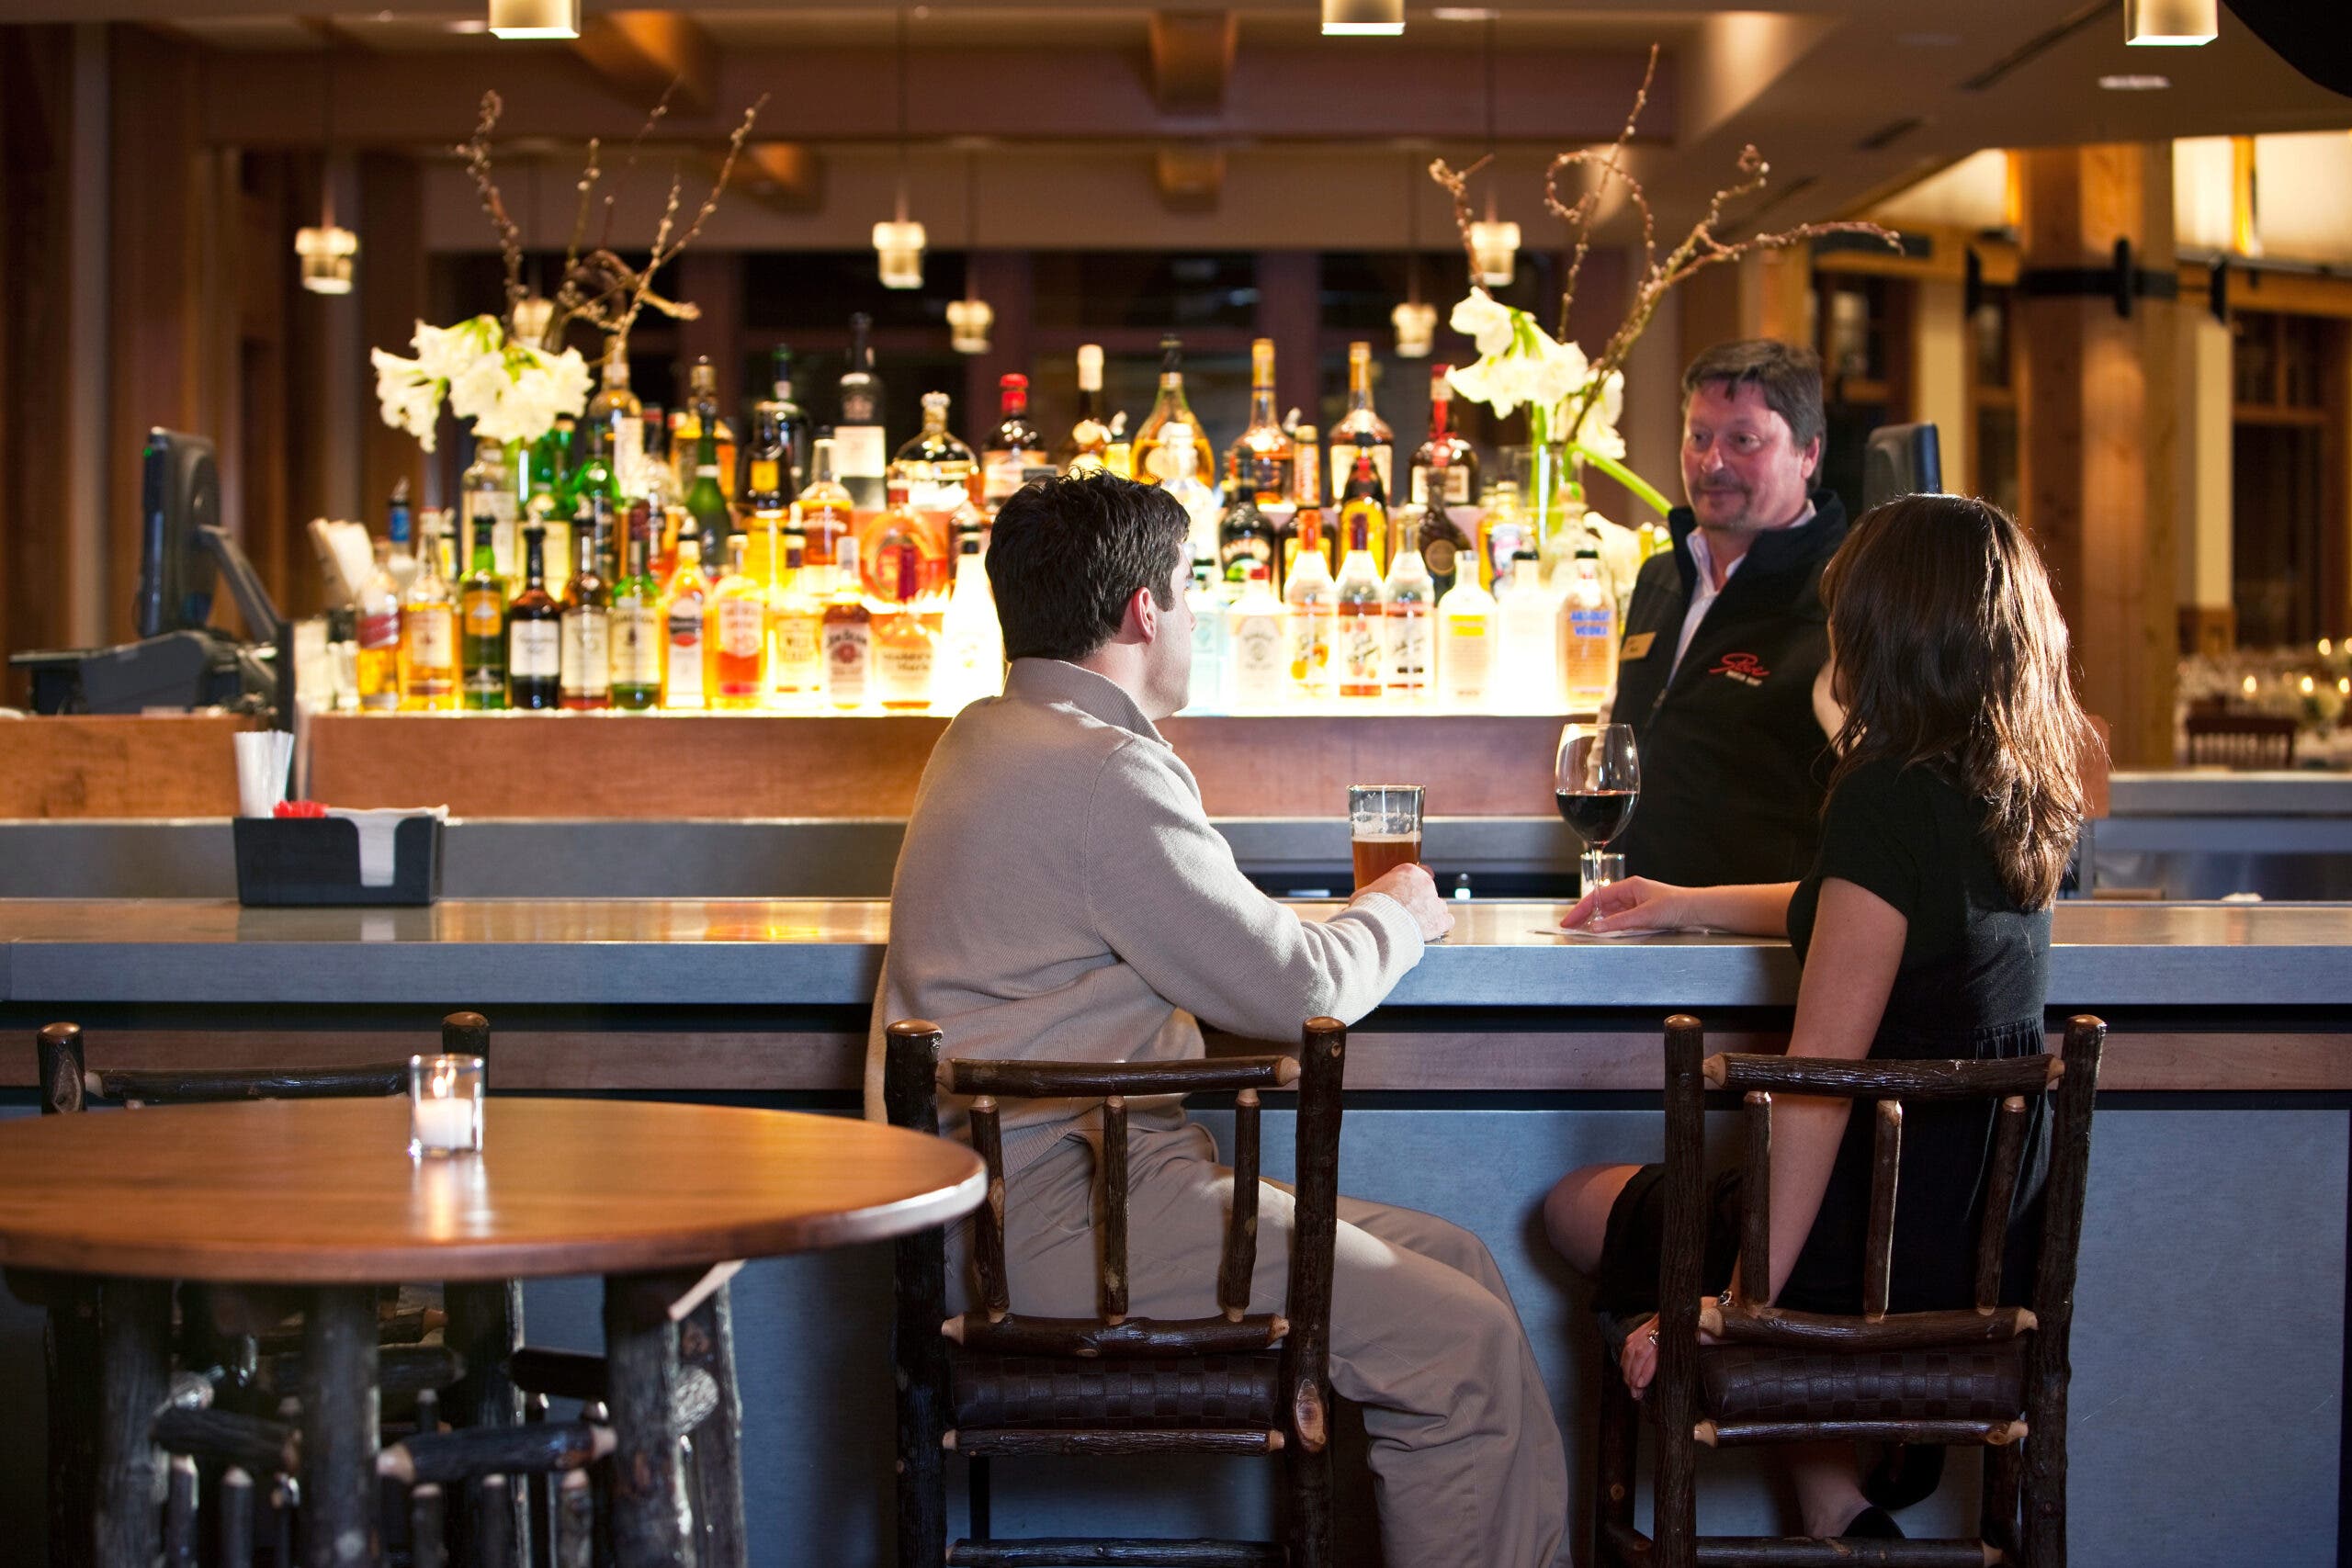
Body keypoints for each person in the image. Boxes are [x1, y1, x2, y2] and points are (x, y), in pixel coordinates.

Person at [868, 471, 1570, 1568]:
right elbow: (1299, 995)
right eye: (1190, 592)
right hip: (1070, 1223)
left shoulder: (984, 737)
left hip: (994, 1211)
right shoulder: (1104, 768)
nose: (1194, 618)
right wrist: (1398, 910)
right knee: (1463, 1346)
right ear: (1144, 611)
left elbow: (1197, 934)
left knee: (1460, 1263)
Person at [1544, 492, 2097, 1541]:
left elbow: (1816, 1087)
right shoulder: (2010, 787)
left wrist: (1738, 1304)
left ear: (1876, 631)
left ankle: (1833, 1500)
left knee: (1576, 1207)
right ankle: (1841, 1519)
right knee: (1746, 1223)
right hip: (1976, 1246)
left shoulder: (1882, 791)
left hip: (1870, 1258)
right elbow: (1872, 910)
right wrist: (1683, 901)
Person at [1607, 340, 1848, 887]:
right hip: (1642, 933)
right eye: (1698, 437)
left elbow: (1875, 804)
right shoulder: (1660, 577)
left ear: (1808, 454)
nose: (1712, 463)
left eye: (1743, 440)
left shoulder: (1847, 592)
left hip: (1760, 949)